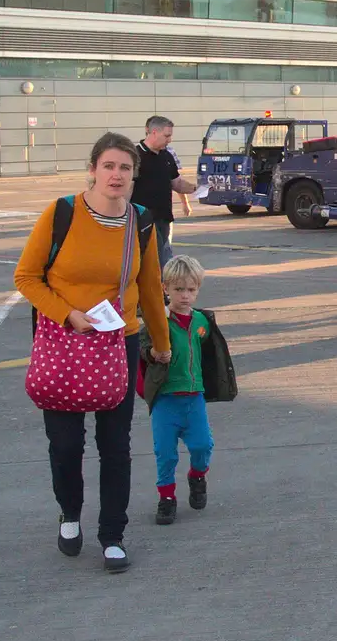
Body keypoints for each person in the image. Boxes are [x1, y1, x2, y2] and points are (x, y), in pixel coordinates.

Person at [14, 132, 171, 573]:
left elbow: (151, 290)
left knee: (115, 446)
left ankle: (112, 534)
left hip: (118, 343)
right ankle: (69, 512)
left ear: (134, 175)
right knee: (65, 446)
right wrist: (68, 315)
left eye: (125, 167)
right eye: (109, 166)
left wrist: (161, 345)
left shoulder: (141, 222)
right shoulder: (61, 213)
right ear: (93, 169)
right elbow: (26, 278)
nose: (116, 175)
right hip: (65, 341)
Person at [140, 254, 216, 526]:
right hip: (166, 399)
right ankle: (167, 498)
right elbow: (142, 347)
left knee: (203, 445)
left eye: (191, 290)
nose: (185, 296)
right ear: (166, 289)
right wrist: (153, 354)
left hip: (194, 397)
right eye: (179, 289)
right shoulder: (158, 320)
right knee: (166, 453)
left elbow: (209, 352)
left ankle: (197, 476)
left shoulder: (201, 323)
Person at [132, 116, 197, 264]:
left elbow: (176, 183)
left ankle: (161, 286)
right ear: (154, 132)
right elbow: (127, 189)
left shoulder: (166, 156)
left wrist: (197, 189)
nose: (169, 140)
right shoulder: (135, 156)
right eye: (167, 136)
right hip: (143, 220)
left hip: (164, 219)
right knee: (157, 261)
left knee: (163, 258)